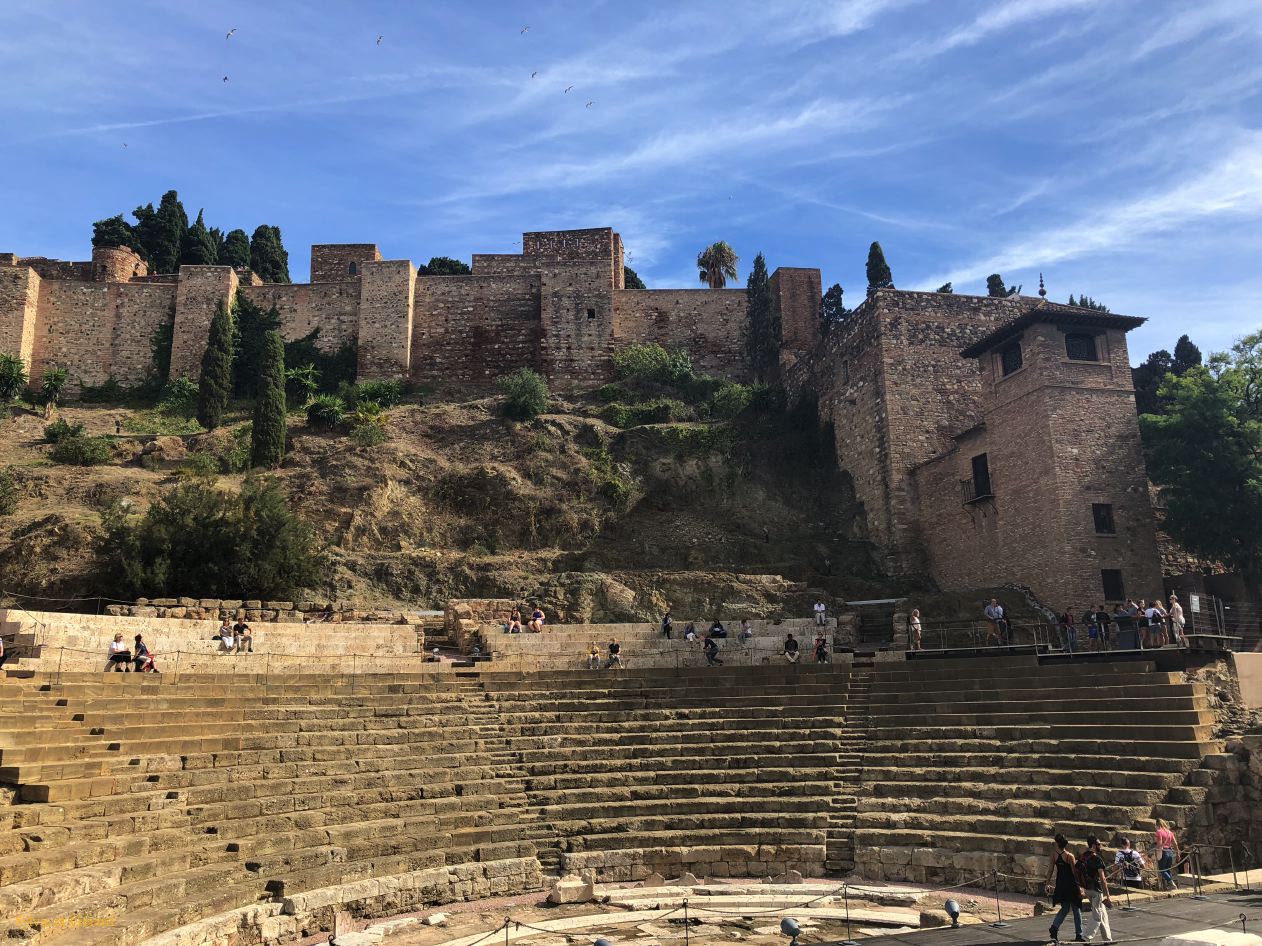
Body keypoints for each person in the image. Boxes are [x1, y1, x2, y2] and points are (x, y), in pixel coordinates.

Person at [1045, 833, 1084, 942]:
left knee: (1065, 908)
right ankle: (1079, 934)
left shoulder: (1054, 855)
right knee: (1076, 909)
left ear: (1057, 843)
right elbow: (1074, 873)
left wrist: (1047, 882)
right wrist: (1080, 886)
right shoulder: (1069, 856)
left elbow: (1050, 870)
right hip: (1071, 885)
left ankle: (1054, 927)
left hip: (1061, 884)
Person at [1079, 835, 1113, 943]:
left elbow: (1077, 872)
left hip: (1086, 888)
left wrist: (1080, 887)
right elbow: (1103, 879)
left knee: (1103, 914)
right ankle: (1086, 937)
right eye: (1098, 844)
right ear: (1093, 845)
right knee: (1097, 916)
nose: (1100, 846)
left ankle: (1107, 939)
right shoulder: (1097, 859)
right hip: (1096, 890)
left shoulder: (1083, 856)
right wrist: (1108, 895)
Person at [1153, 818, 1180, 891]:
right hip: (1170, 851)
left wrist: (1155, 848)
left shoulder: (1159, 832)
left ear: (1157, 824)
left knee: (1162, 870)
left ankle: (1171, 882)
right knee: (1168, 870)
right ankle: (1171, 886)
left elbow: (1160, 843)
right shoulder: (1170, 832)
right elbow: (1175, 843)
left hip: (1163, 852)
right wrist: (1178, 853)